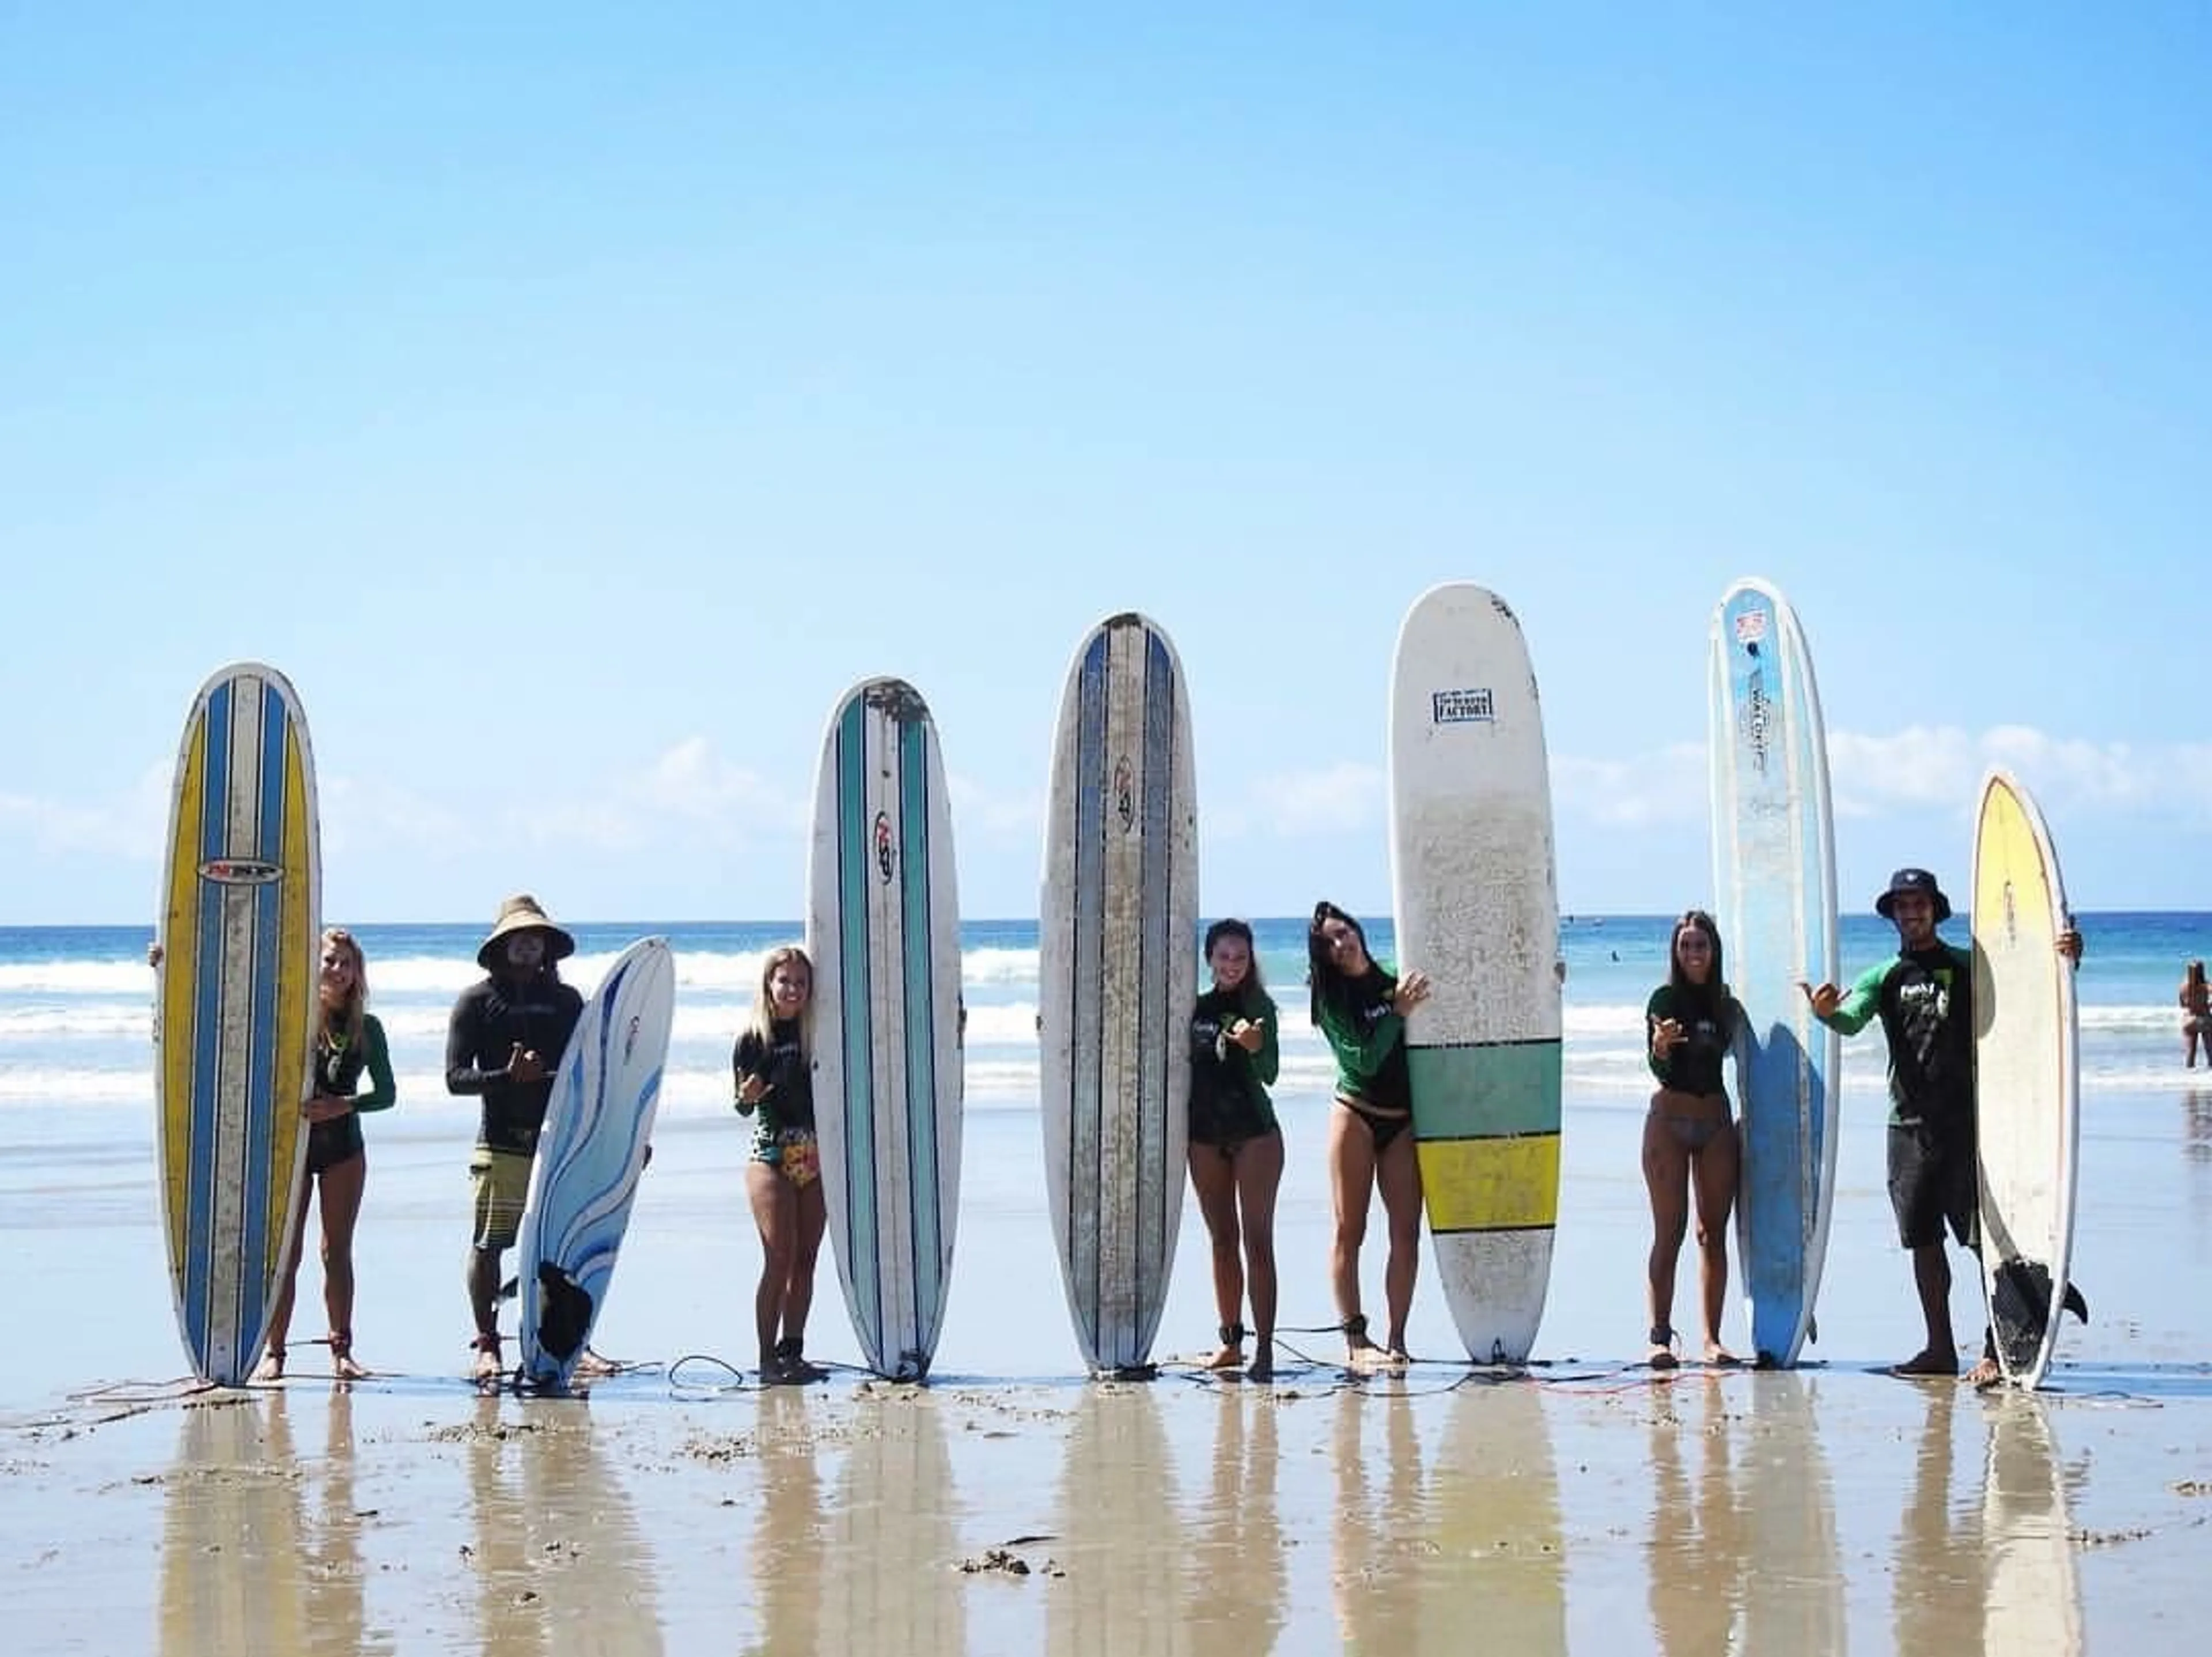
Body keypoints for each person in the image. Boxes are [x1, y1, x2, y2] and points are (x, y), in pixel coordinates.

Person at [1802, 868, 2081, 1383]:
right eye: (1902, 905)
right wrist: (1825, 1016)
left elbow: (2030, 994)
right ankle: (1940, 1348)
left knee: (1984, 1242)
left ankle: (1999, 1348)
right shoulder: (1883, 976)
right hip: (1906, 1126)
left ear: (1936, 909)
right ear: (1892, 915)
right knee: (1923, 1242)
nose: (1911, 913)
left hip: (1966, 1127)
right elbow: (1851, 1018)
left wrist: (2065, 956)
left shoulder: (1968, 966)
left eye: (1919, 904)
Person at [445, 894, 585, 1383]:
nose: (527, 945)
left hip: (559, 1143)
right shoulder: (476, 1002)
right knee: (490, 1245)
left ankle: (567, 1340)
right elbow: (456, 1078)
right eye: (517, 938)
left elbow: (591, 1072)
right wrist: (507, 1077)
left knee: (564, 1249)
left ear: (547, 946)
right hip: (501, 1144)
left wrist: (619, 1138)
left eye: (536, 938)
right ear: (501, 946)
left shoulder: (568, 1003)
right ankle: (488, 1343)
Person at [255, 928, 396, 1380]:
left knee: (336, 1253)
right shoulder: (290, 1019)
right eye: (330, 961)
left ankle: (342, 1352)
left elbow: (388, 1094)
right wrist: (165, 965)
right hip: (293, 1149)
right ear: (312, 964)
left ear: (358, 974)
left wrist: (343, 1104)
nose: (337, 970)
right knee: (284, 1256)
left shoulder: (367, 1027)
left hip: (344, 1151)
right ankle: (274, 1354)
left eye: (346, 964)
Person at [1308, 901, 1431, 1368]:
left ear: (1358, 930)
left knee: (1406, 1233)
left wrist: (1545, 977)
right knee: (1350, 1231)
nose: (1341, 944)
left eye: (1344, 933)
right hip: (1355, 1114)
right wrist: (1396, 1013)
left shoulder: (1396, 980)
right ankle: (1357, 1340)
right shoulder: (1332, 998)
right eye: (1330, 943)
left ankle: (1397, 1339)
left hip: (1401, 1120)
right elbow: (1361, 1058)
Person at [1642, 910, 1743, 1370]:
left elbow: (1750, 1057)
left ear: (1714, 950)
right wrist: (1661, 1047)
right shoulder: (1664, 997)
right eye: (1685, 946)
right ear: (1675, 952)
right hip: (1669, 1122)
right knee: (1671, 1232)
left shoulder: (1726, 1005)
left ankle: (1712, 1339)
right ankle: (1660, 1339)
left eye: (1700, 945)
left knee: (1713, 1233)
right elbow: (1659, 1065)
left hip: (1716, 1122)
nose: (1693, 953)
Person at [1187, 918, 1284, 1382]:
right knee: (1222, 1242)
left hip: (1255, 1135)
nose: (1231, 965)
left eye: (1240, 958)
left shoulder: (1260, 1005)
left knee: (1256, 1242)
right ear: (1209, 959)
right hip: (1205, 1135)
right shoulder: (1195, 1006)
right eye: (1224, 956)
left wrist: (1255, 1044)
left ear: (1250, 961)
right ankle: (1230, 1343)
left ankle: (1265, 1352)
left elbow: (1271, 1073)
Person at [733, 945, 828, 1385]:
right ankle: (766, 1359)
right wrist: (748, 1096)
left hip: (814, 1155)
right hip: (770, 1155)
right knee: (779, 1258)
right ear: (769, 985)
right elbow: (741, 1107)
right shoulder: (754, 1039)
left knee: (806, 1260)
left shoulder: (818, 1034)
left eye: (801, 982)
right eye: (785, 980)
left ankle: (794, 1351)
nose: (792, 989)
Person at [2181, 961, 2211, 1069]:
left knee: (2190, 1056)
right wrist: (2208, 1005)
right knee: (2210, 1054)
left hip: (2189, 1020)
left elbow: (2183, 1005)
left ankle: (2189, 1081)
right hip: (2204, 1019)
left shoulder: (2183, 986)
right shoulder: (2205, 985)